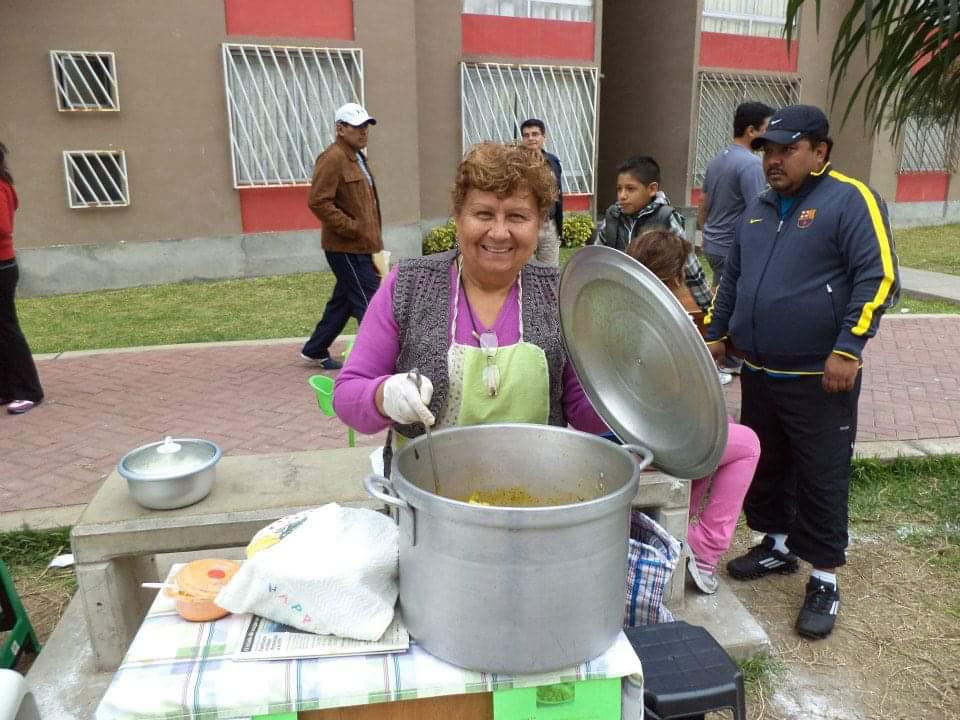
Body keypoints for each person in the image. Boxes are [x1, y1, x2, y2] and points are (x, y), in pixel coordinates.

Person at [704, 105, 900, 638]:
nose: (775, 159)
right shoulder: (759, 208)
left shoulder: (849, 200)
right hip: (761, 370)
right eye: (768, 149)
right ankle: (777, 546)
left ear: (820, 151)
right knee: (768, 465)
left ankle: (825, 578)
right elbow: (734, 279)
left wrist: (849, 348)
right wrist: (718, 333)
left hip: (821, 376)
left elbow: (877, 277)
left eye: (788, 149)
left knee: (821, 473)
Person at [333, 142, 606, 441]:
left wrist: (629, 389)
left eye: (517, 216)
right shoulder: (410, 285)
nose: (499, 233)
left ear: (539, 222)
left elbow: (582, 409)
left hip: (535, 484)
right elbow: (347, 395)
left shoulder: (560, 295)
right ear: (458, 216)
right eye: (484, 214)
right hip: (427, 484)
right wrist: (384, 396)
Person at [625, 229, 761, 594]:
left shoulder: (617, 313)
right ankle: (704, 549)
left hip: (621, 442)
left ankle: (679, 528)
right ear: (677, 277)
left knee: (722, 433)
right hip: (661, 447)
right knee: (746, 443)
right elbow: (690, 405)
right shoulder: (672, 323)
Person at [300, 103, 383, 370]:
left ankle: (315, 348)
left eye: (365, 126)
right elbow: (318, 201)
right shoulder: (333, 158)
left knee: (345, 300)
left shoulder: (357, 157)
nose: (363, 132)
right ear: (340, 128)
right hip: (345, 247)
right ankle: (378, 359)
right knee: (368, 301)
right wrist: (352, 228)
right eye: (357, 127)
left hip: (362, 246)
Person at [697, 101, 774, 375]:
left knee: (721, 299)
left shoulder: (719, 157)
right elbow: (760, 208)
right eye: (767, 130)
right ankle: (729, 359)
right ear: (752, 131)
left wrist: (704, 232)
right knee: (734, 302)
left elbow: (703, 201)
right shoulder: (751, 165)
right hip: (732, 247)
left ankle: (725, 356)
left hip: (714, 243)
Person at [594, 155, 712, 315]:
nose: (622, 195)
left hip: (655, 306)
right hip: (618, 303)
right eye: (619, 189)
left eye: (630, 189)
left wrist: (709, 310)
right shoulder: (613, 217)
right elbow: (597, 260)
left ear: (652, 189)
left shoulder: (666, 218)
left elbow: (691, 267)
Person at [0, 142, 44, 415]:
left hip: (2, 267)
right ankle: (6, 388)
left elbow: (3, 227)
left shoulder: (1, 187)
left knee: (6, 329)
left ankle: (29, 391)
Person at [520, 118, 563, 266]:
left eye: (535, 134)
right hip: (523, 224)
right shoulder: (515, 164)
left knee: (549, 272)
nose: (531, 138)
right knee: (522, 271)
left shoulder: (553, 162)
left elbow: (558, 194)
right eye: (526, 135)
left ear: (543, 137)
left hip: (548, 224)